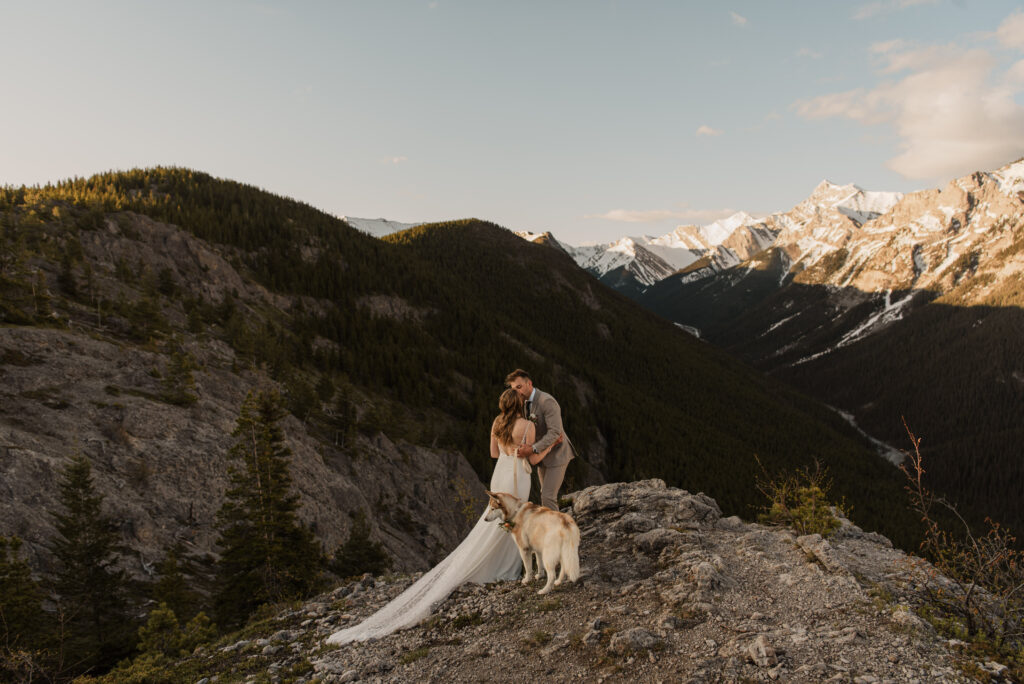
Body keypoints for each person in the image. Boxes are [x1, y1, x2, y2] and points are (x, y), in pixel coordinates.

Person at [326, 388, 554, 645]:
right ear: (521, 404)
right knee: (515, 519)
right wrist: (549, 447)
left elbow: (493, 453)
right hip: (517, 475)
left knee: (494, 520)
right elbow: (532, 459)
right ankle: (511, 565)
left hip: (501, 471)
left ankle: (494, 560)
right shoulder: (527, 426)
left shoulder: (497, 422)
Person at [506, 369, 574, 511]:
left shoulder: (546, 401)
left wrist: (532, 449)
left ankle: (556, 530)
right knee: (545, 493)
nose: (516, 392)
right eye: (514, 389)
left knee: (548, 496)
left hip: (558, 453)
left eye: (519, 387)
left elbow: (555, 432)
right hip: (542, 455)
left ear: (529, 383)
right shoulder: (523, 402)